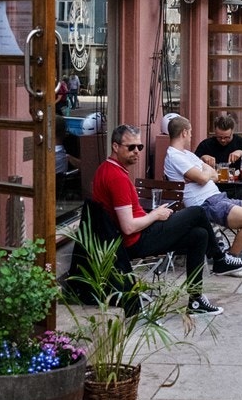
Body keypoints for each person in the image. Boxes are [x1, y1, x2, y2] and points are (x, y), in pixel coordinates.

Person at [91, 125, 222, 315]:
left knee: (199, 235)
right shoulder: (116, 177)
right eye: (131, 147)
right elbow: (128, 227)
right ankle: (219, 259)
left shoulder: (106, 169)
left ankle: (196, 301)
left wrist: (152, 216)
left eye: (140, 147)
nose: (136, 151)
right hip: (135, 241)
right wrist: (155, 215)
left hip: (134, 235)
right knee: (197, 212)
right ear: (115, 146)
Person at [164, 114, 242, 274]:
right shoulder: (175, 156)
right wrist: (204, 174)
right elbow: (203, 177)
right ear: (184, 132)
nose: (191, 135)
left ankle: (236, 257)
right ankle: (229, 262)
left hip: (218, 197)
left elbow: (213, 174)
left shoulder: (187, 154)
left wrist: (204, 173)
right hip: (205, 204)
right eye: (190, 132)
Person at [195, 114, 242, 203]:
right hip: (213, 186)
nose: (223, 140)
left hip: (240, 187)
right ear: (215, 132)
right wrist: (202, 158)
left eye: (226, 137)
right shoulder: (206, 144)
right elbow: (192, 166)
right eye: (219, 137)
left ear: (232, 132)